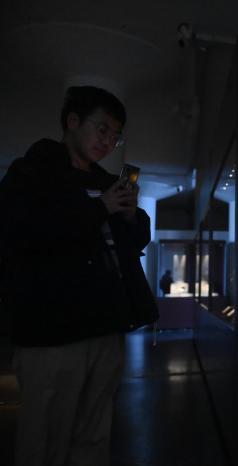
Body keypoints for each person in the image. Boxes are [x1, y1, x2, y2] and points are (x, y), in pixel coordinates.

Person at [0, 86, 159, 466]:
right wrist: (99, 209)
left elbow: (132, 242)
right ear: (72, 121)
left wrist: (129, 217)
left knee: (94, 432)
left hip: (106, 327)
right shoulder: (31, 173)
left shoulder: (105, 182)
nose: (108, 142)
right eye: (102, 129)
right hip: (51, 330)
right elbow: (21, 233)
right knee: (45, 437)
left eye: (115, 135)